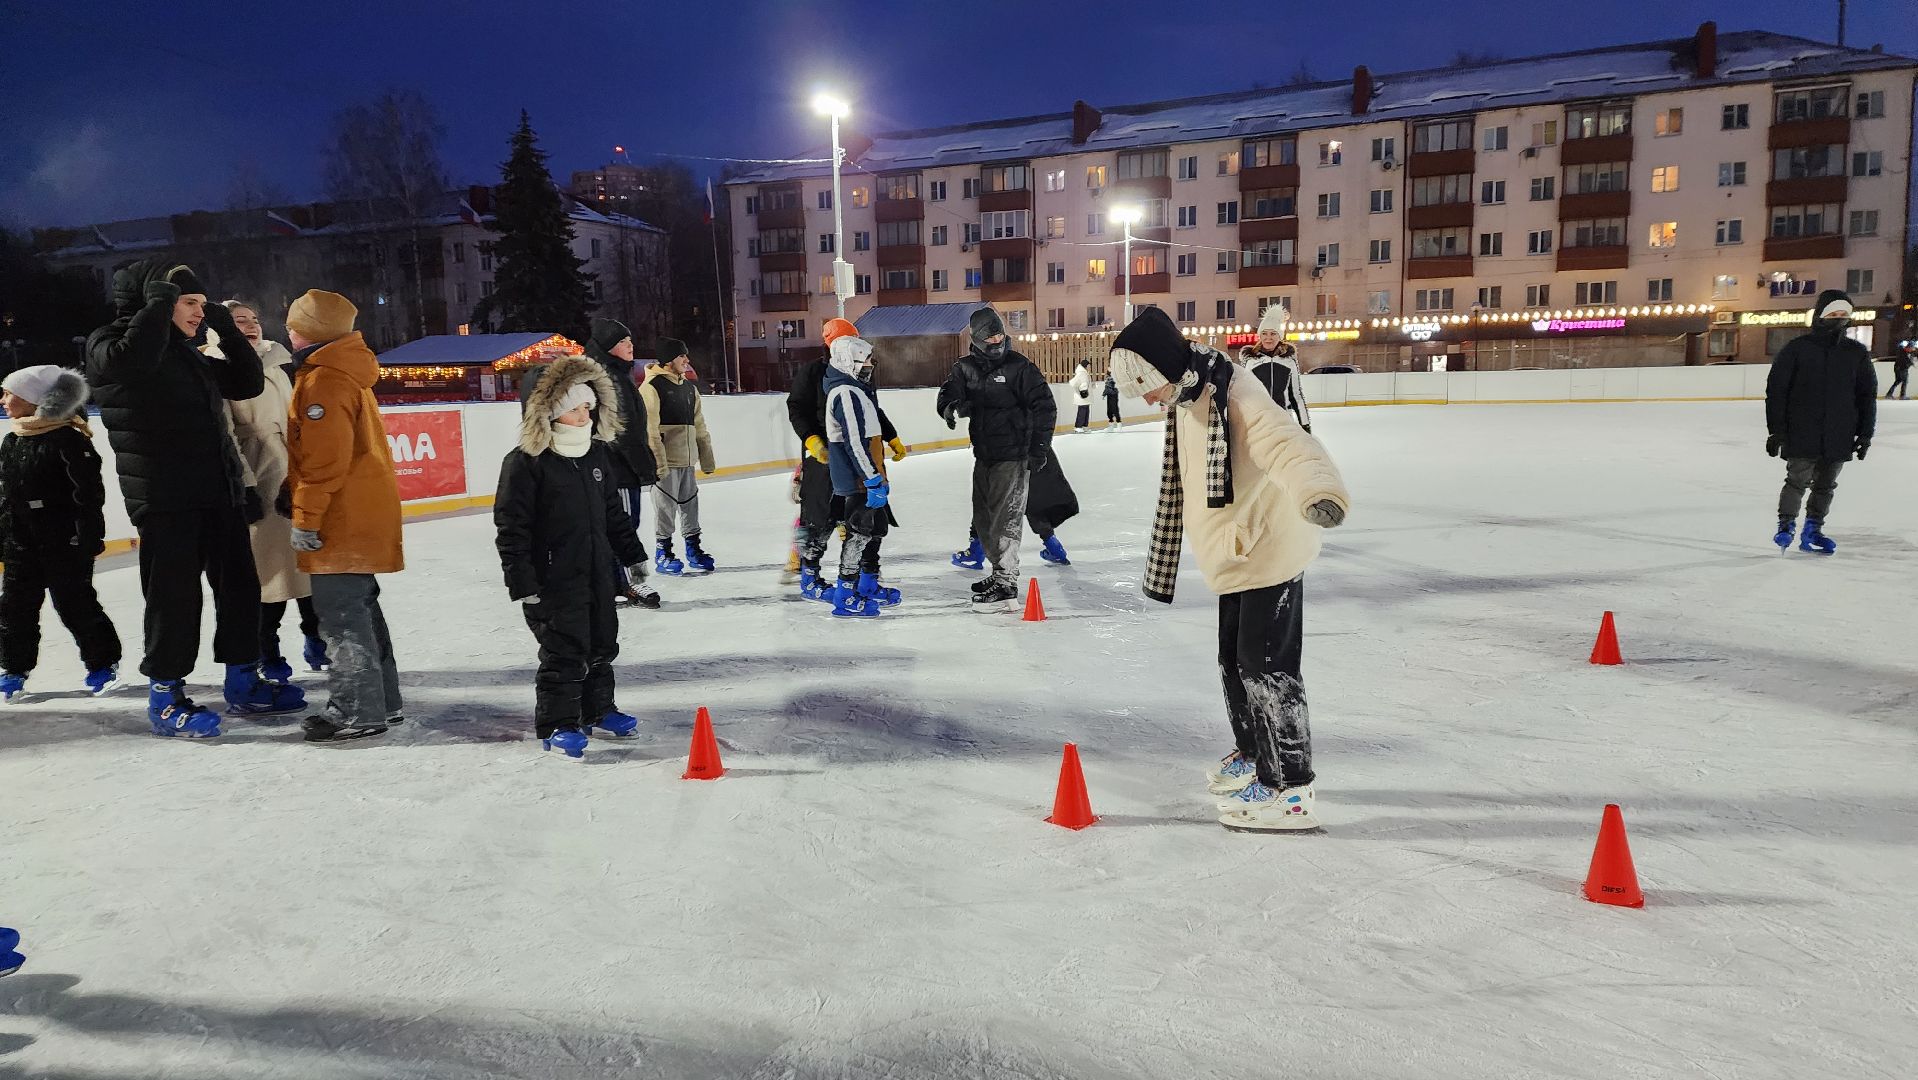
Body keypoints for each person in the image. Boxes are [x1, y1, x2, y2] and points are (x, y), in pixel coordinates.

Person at [1109, 307, 1350, 831]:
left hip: (1268, 550)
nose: (1147, 400)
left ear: (1164, 368)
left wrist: (1319, 490)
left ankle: (1291, 788)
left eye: (1146, 387)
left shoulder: (1236, 395)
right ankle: (1256, 755)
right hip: (1237, 554)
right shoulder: (1191, 393)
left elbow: (1288, 442)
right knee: (1234, 662)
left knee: (1268, 671)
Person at [85, 259, 291, 738]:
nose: (200, 311)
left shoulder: (187, 353)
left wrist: (225, 327)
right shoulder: (107, 343)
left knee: (240, 588)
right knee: (174, 599)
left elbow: (245, 382)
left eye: (202, 303)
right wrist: (159, 301)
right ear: (155, 299)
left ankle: (243, 678)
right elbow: (133, 362)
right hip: (165, 497)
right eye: (190, 303)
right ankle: (165, 696)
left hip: (218, 490)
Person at [495, 355, 649, 760]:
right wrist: (523, 583)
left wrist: (632, 556)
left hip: (598, 574)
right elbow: (512, 530)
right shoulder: (525, 463)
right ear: (550, 412)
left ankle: (598, 710)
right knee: (564, 652)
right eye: (576, 408)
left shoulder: (596, 456)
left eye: (588, 407)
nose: (586, 415)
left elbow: (613, 514)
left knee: (602, 644)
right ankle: (557, 723)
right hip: (552, 581)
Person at [283, 290, 405, 742]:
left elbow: (323, 463)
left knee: (341, 618)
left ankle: (356, 709)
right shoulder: (347, 372)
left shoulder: (323, 382)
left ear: (311, 331)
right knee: (362, 610)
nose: (288, 332)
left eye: (294, 325)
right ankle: (383, 701)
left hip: (340, 519)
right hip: (361, 512)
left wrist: (305, 517)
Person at [204, 302, 327, 683]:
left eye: (254, 319)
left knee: (308, 564)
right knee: (267, 575)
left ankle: (317, 638)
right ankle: (266, 650)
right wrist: (245, 485)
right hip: (258, 473)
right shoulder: (215, 367)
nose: (251, 325)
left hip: (293, 472)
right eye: (239, 321)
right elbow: (225, 434)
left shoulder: (277, 362)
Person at [0, 365, 121, 701]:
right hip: (20, 542)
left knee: (75, 604)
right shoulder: (12, 440)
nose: (3, 400)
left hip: (64, 540)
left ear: (33, 398)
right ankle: (14, 668)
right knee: (14, 608)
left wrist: (87, 535)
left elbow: (88, 494)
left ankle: (102, 663)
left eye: (9, 393)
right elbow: (6, 495)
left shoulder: (68, 439)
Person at [523, 320, 660, 609]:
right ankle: (624, 583)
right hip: (616, 468)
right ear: (609, 346)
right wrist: (643, 467)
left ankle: (611, 583)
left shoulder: (615, 374)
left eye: (630, 340)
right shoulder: (607, 378)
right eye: (623, 341)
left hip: (615, 467)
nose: (631, 345)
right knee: (622, 526)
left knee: (616, 526)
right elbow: (622, 431)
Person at [936, 307, 1056, 612]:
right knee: (984, 518)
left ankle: (1006, 581)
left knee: (1006, 519)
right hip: (984, 455)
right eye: (989, 337)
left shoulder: (1020, 367)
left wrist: (1039, 449)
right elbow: (949, 391)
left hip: (1014, 456)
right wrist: (949, 407)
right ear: (977, 339)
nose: (996, 341)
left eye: (999, 335)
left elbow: (1045, 406)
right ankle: (998, 570)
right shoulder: (965, 368)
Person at [788, 317, 906, 599]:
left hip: (858, 458)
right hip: (824, 456)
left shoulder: (857, 374)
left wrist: (891, 436)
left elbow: (872, 410)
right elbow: (796, 408)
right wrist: (811, 439)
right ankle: (810, 576)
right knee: (821, 518)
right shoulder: (815, 372)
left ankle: (867, 577)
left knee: (868, 518)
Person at [1766, 289, 1876, 555]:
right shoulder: (1797, 349)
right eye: (1832, 313)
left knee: (1826, 485)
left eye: (1843, 314)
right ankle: (1786, 526)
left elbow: (1866, 396)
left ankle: (1813, 529)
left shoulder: (1856, 353)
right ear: (1820, 315)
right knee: (1796, 481)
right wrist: (1776, 431)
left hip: (1839, 432)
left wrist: (1865, 434)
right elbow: (1777, 391)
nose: (1838, 319)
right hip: (1801, 431)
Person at [822, 331, 899, 617]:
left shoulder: (856, 390)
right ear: (849, 361)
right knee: (858, 532)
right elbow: (854, 442)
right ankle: (845, 594)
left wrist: (878, 475)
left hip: (868, 475)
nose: (870, 365)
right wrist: (871, 478)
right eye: (865, 361)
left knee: (876, 529)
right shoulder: (845, 393)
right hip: (858, 479)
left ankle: (867, 585)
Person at [638, 338, 717, 574]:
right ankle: (663, 552)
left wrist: (706, 457)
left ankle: (693, 549)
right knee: (665, 508)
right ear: (668, 359)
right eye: (682, 355)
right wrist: (659, 463)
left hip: (687, 461)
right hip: (666, 463)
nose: (687, 360)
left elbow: (699, 426)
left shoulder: (690, 389)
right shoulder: (651, 387)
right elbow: (650, 430)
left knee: (690, 506)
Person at [1237, 304, 1311, 432]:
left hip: (1284, 422)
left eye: (1273, 333)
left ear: (1279, 336)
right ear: (1260, 336)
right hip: (1259, 422)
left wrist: (1305, 424)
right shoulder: (1251, 361)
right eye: (1264, 333)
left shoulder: (1288, 362)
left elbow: (1296, 396)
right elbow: (1244, 395)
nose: (1268, 338)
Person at [1070, 361, 1093, 432]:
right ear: (1085, 366)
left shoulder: (1086, 373)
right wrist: (1080, 390)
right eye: (1089, 365)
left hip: (1086, 396)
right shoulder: (1081, 373)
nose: (1090, 367)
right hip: (1082, 396)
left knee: (1086, 411)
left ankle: (1085, 426)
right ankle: (1078, 427)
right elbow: (1072, 383)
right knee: (1082, 411)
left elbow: (1087, 384)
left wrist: (1093, 386)